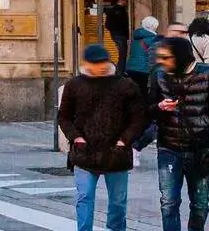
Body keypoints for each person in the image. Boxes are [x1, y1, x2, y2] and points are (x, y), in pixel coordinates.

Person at [58, 42, 147, 231]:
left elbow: (138, 117)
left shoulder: (125, 85)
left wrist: (125, 140)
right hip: (84, 152)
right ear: (86, 64)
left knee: (117, 203)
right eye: (93, 63)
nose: (97, 67)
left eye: (101, 63)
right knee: (84, 198)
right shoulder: (74, 85)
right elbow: (64, 117)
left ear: (107, 63)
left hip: (116, 153)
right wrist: (76, 138)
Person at [151, 35, 209, 231]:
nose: (161, 62)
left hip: (200, 147)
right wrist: (160, 107)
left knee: (200, 204)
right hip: (168, 147)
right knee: (169, 202)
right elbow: (148, 107)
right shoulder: (159, 75)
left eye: (166, 57)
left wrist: (206, 121)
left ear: (180, 57)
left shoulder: (208, 73)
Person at [125, 16, 160, 92]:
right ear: (155, 26)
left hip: (130, 68)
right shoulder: (152, 39)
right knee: (143, 91)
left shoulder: (136, 37)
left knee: (133, 90)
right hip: (143, 70)